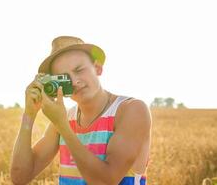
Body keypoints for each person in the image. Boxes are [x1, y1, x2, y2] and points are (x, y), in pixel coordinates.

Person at [10, 36, 152, 185]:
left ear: (97, 68)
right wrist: (29, 114)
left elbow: (106, 181)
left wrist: (63, 127)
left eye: (79, 70)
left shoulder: (131, 110)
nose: (74, 81)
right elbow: (20, 178)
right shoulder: (65, 119)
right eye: (64, 77)